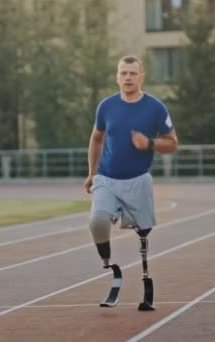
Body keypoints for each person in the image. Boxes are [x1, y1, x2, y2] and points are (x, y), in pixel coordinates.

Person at [84, 55, 178, 269]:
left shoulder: (156, 107)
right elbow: (97, 138)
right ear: (117, 78)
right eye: (123, 73)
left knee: (144, 230)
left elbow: (173, 143)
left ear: (141, 77)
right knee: (97, 221)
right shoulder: (106, 106)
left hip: (138, 180)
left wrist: (150, 143)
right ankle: (108, 263)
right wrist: (92, 172)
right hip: (106, 178)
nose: (128, 78)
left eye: (132, 73)